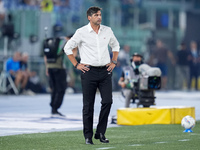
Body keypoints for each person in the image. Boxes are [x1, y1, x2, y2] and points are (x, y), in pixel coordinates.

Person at [64, 6, 120, 145]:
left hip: (106, 71)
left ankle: (100, 132)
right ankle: (88, 136)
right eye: (96, 15)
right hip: (88, 71)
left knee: (107, 101)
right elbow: (67, 48)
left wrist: (114, 62)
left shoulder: (107, 30)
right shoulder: (81, 32)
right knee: (88, 105)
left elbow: (116, 46)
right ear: (89, 17)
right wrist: (76, 64)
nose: (99, 17)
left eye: (100, 14)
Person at [44, 36, 67, 117]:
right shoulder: (65, 42)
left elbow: (45, 56)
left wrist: (47, 67)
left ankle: (53, 108)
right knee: (61, 88)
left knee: (53, 88)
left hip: (50, 67)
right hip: (59, 68)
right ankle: (55, 107)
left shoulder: (50, 42)